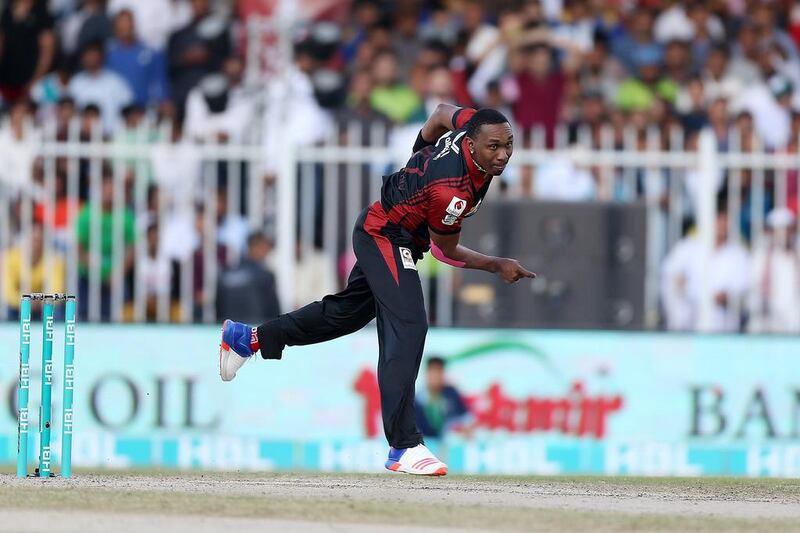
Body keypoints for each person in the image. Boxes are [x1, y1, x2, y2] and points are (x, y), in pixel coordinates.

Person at [218, 105, 536, 476]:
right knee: (410, 325)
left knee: (343, 315)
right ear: (471, 142)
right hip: (383, 233)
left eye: (508, 145)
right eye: (493, 147)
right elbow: (444, 251)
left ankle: (248, 339)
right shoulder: (452, 191)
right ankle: (404, 445)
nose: (502, 154)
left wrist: (412, 173)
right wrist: (497, 264)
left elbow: (437, 115)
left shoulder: (472, 123)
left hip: (392, 228)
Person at [215, 232, 280, 324]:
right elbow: (273, 309)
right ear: (256, 247)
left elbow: (218, 307)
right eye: (265, 248)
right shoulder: (265, 275)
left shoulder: (227, 272)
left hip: (230, 330)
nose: (267, 253)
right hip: (255, 330)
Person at [415, 357, 473, 439]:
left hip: (452, 442)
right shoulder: (418, 400)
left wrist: (465, 427)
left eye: (439, 372)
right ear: (427, 374)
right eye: (432, 372)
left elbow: (465, 415)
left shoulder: (452, 393)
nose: (435, 376)